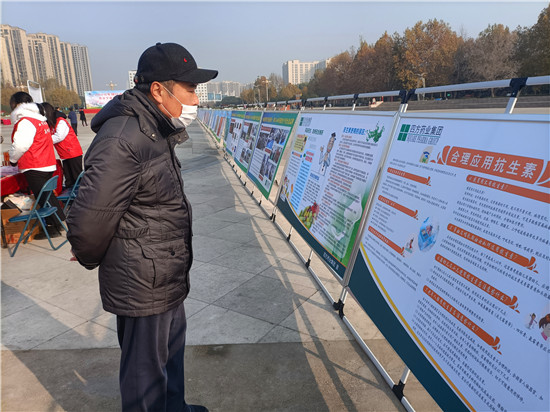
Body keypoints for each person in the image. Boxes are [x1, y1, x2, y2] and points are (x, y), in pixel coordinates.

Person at [67, 42, 217, 412]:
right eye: (190, 88)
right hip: (142, 279)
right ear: (159, 90)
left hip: (164, 271)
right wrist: (87, 252)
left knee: (170, 356)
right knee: (144, 375)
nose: (195, 99)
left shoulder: (155, 127)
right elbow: (89, 219)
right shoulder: (124, 137)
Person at [8, 92, 66, 236]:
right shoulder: (39, 119)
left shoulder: (26, 121)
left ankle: (54, 227)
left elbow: (21, 145)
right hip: (46, 163)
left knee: (43, 198)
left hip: (35, 164)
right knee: (47, 196)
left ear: (18, 104)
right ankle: (59, 221)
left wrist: (13, 160)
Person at [42, 102, 83, 188]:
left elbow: (59, 136)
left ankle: (81, 194)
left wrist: (44, 141)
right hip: (64, 154)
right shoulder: (51, 124)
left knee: (77, 178)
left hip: (73, 153)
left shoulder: (60, 121)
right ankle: (71, 194)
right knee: (68, 179)